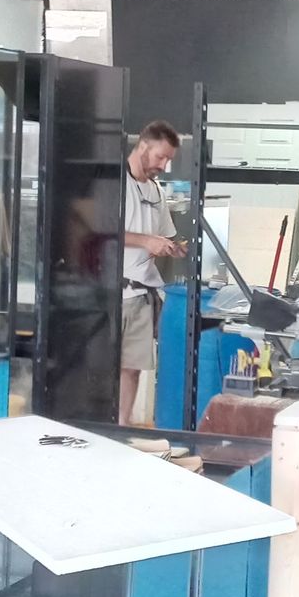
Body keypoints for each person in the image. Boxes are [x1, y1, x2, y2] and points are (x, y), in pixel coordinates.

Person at [121, 120, 184, 425]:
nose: (164, 165)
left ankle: (121, 426)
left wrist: (173, 247)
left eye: (168, 160)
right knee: (103, 366)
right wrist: (145, 241)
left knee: (131, 368)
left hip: (142, 292)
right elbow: (98, 232)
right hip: (111, 291)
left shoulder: (157, 191)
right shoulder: (115, 183)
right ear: (143, 146)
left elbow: (165, 235)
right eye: (161, 157)